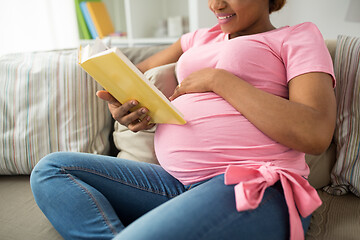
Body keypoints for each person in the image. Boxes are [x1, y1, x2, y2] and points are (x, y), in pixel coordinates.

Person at [30, 0, 337, 239]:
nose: (215, 5)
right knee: (52, 169)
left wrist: (221, 80)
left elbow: (314, 132)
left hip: (254, 184)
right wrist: (124, 107)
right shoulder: (198, 39)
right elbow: (129, 75)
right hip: (178, 186)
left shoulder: (297, 36)